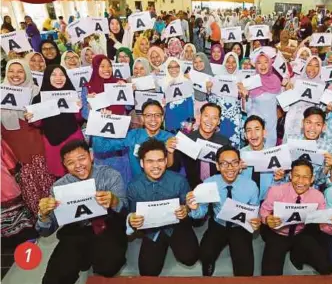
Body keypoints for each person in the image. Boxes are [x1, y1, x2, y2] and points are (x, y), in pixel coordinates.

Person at [36, 140, 128, 284]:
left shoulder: (110, 176)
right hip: (75, 230)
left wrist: (114, 201)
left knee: (108, 266)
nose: (78, 165)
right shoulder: (59, 187)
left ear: (91, 156)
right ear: (64, 165)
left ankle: (91, 256)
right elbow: (46, 231)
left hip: (107, 225)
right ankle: (84, 256)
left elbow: (125, 211)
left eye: (82, 158)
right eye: (71, 162)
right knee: (53, 279)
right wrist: (43, 215)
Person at [126, 139, 199, 276]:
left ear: (166, 161)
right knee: (147, 273)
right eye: (150, 161)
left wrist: (186, 210)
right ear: (142, 163)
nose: (156, 166)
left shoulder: (179, 181)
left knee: (190, 257)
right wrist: (132, 220)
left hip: (176, 226)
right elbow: (131, 213)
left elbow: (190, 205)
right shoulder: (133, 187)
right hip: (152, 232)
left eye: (160, 160)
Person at [186, 145, 260, 276]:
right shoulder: (208, 183)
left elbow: (254, 213)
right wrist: (194, 208)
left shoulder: (251, 186)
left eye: (234, 163)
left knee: (245, 269)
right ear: (217, 166)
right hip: (218, 224)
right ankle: (208, 266)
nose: (230, 168)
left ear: (239, 164)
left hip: (240, 227)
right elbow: (200, 213)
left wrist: (256, 222)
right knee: (205, 254)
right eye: (224, 164)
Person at [260, 158, 332, 276]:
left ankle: (297, 256)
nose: (300, 181)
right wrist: (268, 219)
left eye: (305, 177)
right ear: (290, 176)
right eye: (296, 176)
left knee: (325, 266)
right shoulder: (276, 191)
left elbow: (323, 225)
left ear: (312, 179)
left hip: (301, 232)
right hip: (277, 233)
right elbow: (264, 211)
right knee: (270, 274)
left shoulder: (318, 197)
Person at [1, 60, 54, 217]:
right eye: (12, 71)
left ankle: (55, 217)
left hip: (36, 144)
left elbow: (49, 119)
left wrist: (35, 114)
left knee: (45, 181)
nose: (15, 75)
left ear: (27, 72)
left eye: (20, 71)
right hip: (13, 150)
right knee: (25, 186)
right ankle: (38, 219)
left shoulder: (37, 92)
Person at [92, 100, 176, 183]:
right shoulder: (133, 136)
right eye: (148, 115)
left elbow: (170, 166)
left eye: (157, 115)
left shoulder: (170, 138)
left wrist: (170, 152)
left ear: (162, 118)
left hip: (164, 185)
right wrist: (101, 122)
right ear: (142, 118)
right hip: (138, 186)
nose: (153, 119)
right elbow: (100, 147)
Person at [27, 65, 84, 177]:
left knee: (81, 172)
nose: (59, 78)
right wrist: (32, 116)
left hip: (74, 138)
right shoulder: (38, 98)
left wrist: (80, 107)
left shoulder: (72, 94)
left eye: (62, 74)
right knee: (61, 177)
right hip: (53, 143)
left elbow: (79, 119)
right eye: (54, 74)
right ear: (47, 77)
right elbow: (38, 124)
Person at [172, 103, 230, 189]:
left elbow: (229, 168)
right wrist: (170, 152)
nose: (209, 121)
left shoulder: (224, 142)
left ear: (218, 121)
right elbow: (174, 168)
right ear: (200, 117)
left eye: (214, 118)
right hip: (190, 188)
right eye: (206, 116)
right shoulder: (187, 140)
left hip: (218, 188)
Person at [241, 115, 286, 201]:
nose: (253, 134)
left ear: (264, 133)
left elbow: (278, 188)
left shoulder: (274, 155)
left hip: (267, 201)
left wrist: (277, 179)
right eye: (249, 130)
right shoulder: (239, 156)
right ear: (245, 135)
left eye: (257, 129)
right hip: (244, 201)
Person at [243, 53, 283, 148]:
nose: (263, 65)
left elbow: (281, 104)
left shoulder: (276, 81)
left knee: (268, 154)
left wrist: (289, 90)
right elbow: (247, 109)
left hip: (270, 125)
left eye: (266, 62)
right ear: (256, 65)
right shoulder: (251, 81)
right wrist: (245, 96)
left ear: (270, 64)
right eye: (259, 63)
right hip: (255, 126)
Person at [207, 52, 244, 148]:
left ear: (237, 63)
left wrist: (243, 95)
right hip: (220, 121)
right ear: (224, 63)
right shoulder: (216, 78)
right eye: (228, 62)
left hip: (234, 121)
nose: (230, 65)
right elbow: (211, 101)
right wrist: (209, 90)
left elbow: (245, 107)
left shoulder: (242, 80)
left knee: (233, 149)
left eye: (234, 62)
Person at [161, 58, 194, 134]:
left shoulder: (186, 82)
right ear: (166, 68)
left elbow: (190, 103)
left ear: (180, 67)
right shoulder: (163, 84)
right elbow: (162, 106)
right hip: (170, 119)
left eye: (176, 66)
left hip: (185, 119)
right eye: (170, 67)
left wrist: (190, 122)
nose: (174, 69)